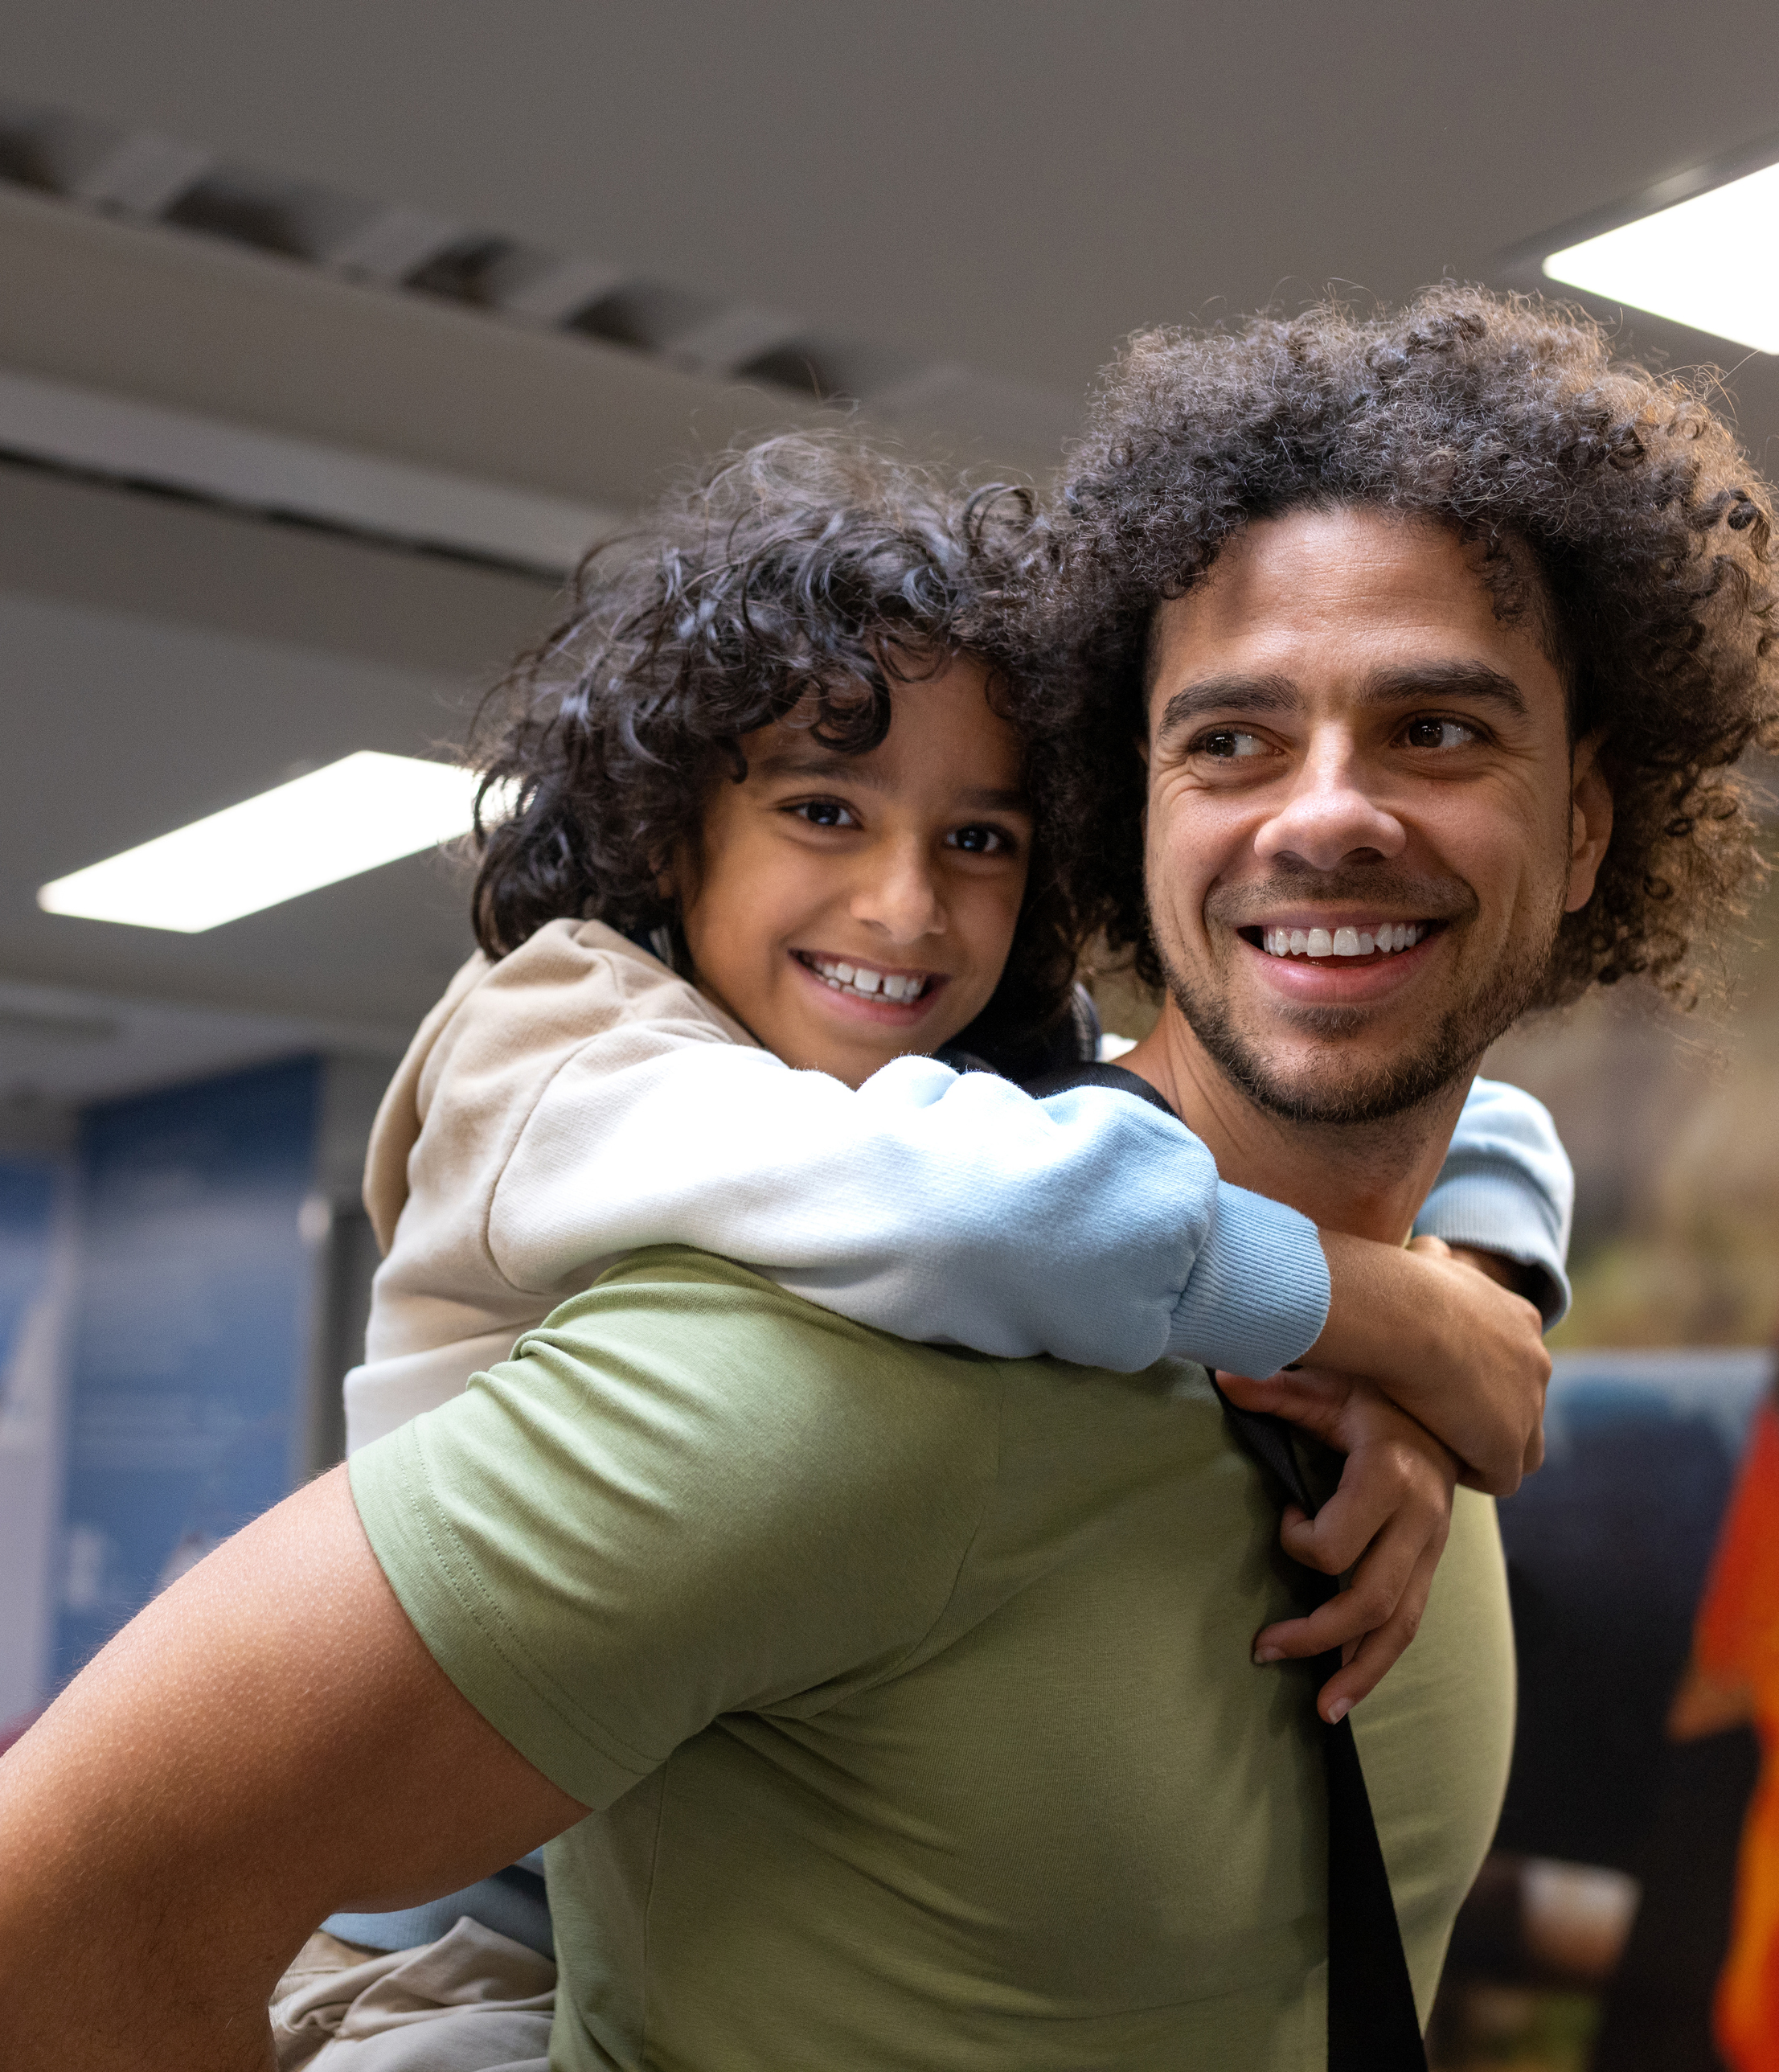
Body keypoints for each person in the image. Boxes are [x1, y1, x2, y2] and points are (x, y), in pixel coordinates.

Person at [0, 289, 1779, 2070]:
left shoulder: (1424, 1355)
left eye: (1435, 726)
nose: (1327, 809)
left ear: (1585, 825)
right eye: (1232, 739)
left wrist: (1461, 1300)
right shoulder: (832, 1349)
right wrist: (1386, 1307)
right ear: (1139, 820)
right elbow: (5, 1935)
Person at [309, 432, 1572, 1992]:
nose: (907, 905)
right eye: (825, 809)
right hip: (451, 1947)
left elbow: (1469, 1112)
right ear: (665, 830)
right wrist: (1387, 1314)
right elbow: (984, 1219)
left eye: (981, 840)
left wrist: (1476, 1278)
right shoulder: (563, 1045)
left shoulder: (928, 1075)